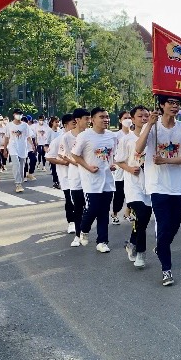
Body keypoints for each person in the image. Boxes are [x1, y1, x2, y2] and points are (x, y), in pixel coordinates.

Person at [136, 94, 181, 287]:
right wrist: (149, 125)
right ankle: (166, 270)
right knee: (163, 224)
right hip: (157, 185)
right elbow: (138, 148)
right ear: (161, 105)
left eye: (177, 103)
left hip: (178, 186)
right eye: (171, 103)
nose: (174, 106)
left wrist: (165, 160)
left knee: (174, 226)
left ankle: (161, 247)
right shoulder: (152, 126)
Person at [71, 107, 117, 253]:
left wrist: (113, 164)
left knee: (104, 211)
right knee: (92, 208)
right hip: (91, 180)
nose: (106, 119)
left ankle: (102, 241)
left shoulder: (112, 136)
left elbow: (113, 155)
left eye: (107, 117)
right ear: (93, 119)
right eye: (102, 117)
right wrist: (88, 167)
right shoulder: (84, 136)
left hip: (107, 180)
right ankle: (84, 229)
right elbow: (75, 155)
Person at [115, 106, 152, 270]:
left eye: (146, 116)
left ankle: (132, 243)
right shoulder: (127, 139)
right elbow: (119, 160)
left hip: (150, 183)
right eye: (140, 116)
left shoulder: (153, 138)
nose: (144, 118)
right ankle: (141, 253)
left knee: (143, 219)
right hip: (133, 184)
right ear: (132, 119)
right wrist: (129, 169)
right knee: (141, 214)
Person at [62, 108, 91, 246]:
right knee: (78, 206)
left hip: (90, 175)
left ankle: (87, 232)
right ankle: (78, 235)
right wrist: (80, 163)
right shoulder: (67, 137)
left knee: (90, 207)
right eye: (86, 118)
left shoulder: (90, 134)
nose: (89, 121)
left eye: (89, 118)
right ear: (77, 120)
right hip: (75, 176)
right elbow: (68, 156)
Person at [45, 113, 77, 234]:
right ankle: (71, 222)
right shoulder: (58, 140)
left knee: (80, 200)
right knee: (69, 199)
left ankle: (79, 221)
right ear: (65, 125)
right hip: (66, 175)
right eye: (73, 123)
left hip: (80, 175)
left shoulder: (81, 138)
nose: (76, 126)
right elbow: (49, 157)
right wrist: (63, 162)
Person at [110, 110, 132, 225]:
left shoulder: (134, 135)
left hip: (131, 167)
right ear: (120, 120)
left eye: (129, 118)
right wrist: (114, 163)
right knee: (119, 193)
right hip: (119, 168)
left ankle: (127, 213)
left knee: (131, 192)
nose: (128, 120)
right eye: (125, 118)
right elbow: (112, 152)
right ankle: (114, 214)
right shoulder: (116, 136)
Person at [5, 109, 31, 193]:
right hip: (13, 147)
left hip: (22, 148)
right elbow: (7, 137)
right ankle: (18, 183)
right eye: (17, 114)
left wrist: (33, 145)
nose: (18, 115)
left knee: (21, 166)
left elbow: (28, 136)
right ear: (13, 115)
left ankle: (20, 180)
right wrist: (5, 149)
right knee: (16, 164)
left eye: (20, 114)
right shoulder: (9, 125)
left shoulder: (25, 125)